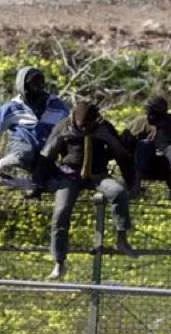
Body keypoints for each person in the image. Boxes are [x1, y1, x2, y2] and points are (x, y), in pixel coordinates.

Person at [40, 101, 138, 281]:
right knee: (61, 212)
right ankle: (59, 262)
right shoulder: (63, 126)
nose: (85, 129)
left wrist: (130, 181)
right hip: (70, 175)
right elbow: (46, 156)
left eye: (89, 126)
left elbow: (122, 155)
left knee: (118, 192)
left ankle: (121, 239)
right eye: (82, 126)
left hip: (98, 175)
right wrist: (42, 182)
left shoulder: (104, 127)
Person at [0, 67, 70, 197]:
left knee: (56, 184)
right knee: (25, 154)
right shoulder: (12, 108)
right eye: (31, 86)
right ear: (23, 89)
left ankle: (16, 183)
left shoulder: (57, 106)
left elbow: (69, 132)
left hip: (45, 155)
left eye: (39, 85)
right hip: (23, 146)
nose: (36, 89)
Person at [124, 95, 171, 209]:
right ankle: (136, 187)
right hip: (147, 164)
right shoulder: (141, 122)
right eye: (149, 112)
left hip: (167, 164)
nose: (150, 116)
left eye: (153, 113)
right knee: (144, 144)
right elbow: (125, 141)